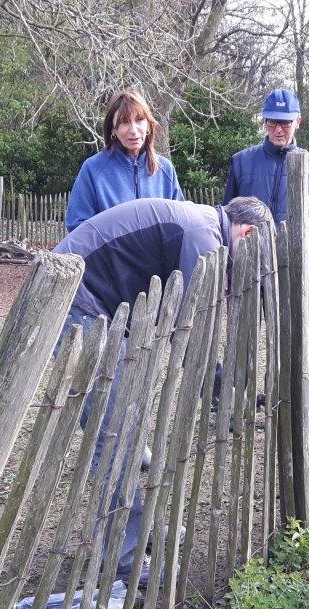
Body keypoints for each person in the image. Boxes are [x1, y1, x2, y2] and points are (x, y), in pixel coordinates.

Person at [53, 195, 272, 578]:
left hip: (100, 308)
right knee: (114, 432)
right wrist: (222, 392)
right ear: (248, 232)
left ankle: (137, 529)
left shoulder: (204, 227)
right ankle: (122, 557)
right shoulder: (203, 239)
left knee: (128, 425)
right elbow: (191, 328)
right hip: (76, 304)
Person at [222, 88, 309, 281]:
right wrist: (227, 267)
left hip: (293, 269)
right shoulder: (241, 162)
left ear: (298, 122)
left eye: (286, 122)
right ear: (264, 121)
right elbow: (227, 219)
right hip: (248, 267)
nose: (278, 129)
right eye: (272, 121)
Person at [65, 90, 184, 233]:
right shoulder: (93, 169)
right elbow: (77, 226)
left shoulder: (165, 169)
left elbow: (180, 222)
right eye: (124, 122)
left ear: (148, 124)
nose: (133, 130)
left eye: (139, 120)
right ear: (113, 129)